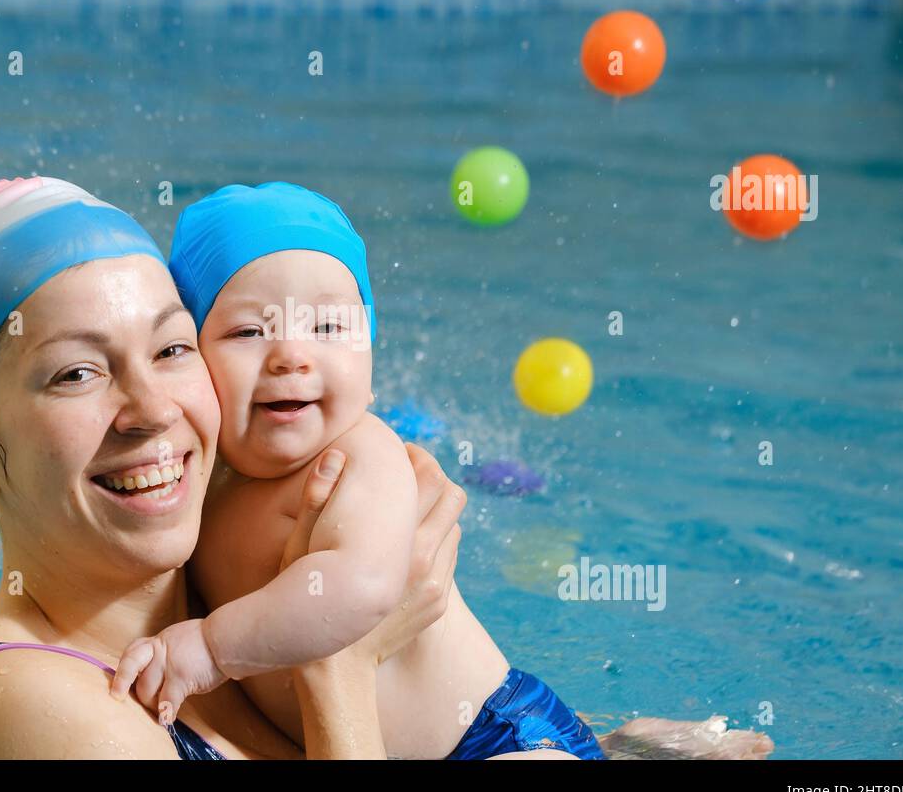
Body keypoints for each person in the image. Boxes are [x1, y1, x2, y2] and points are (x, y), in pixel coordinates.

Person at [0, 176, 466, 759]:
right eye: (77, 373)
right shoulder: (35, 712)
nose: (153, 410)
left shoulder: (251, 602)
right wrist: (337, 664)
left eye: (171, 349)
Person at [110, 182, 604, 760]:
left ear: (369, 362)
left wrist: (211, 650)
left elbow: (363, 587)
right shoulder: (193, 476)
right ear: (186, 357)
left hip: (495, 737)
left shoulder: (357, 455)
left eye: (327, 329)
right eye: (249, 331)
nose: (292, 355)